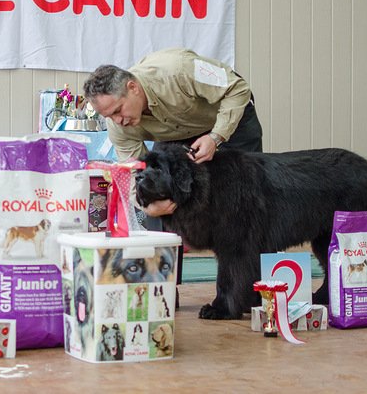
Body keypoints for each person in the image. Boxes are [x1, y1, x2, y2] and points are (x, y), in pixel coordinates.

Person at [83, 48, 263, 289]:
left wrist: (216, 137)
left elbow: (238, 89)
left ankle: (252, 288)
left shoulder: (178, 69)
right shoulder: (118, 126)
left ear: (133, 87)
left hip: (229, 121)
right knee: (156, 191)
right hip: (173, 135)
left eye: (118, 110)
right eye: (109, 116)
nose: (118, 121)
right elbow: (135, 176)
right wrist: (147, 204)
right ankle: (162, 288)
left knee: (245, 204)